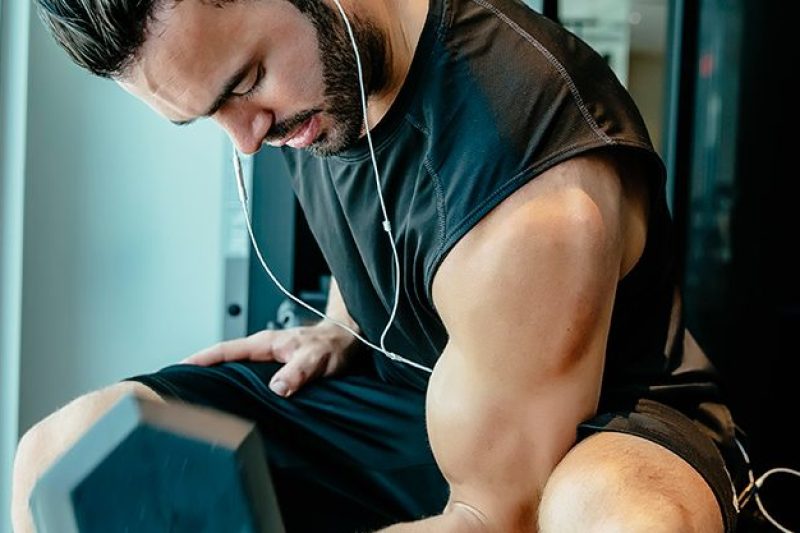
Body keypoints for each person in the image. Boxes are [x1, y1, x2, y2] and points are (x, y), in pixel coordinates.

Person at [13, 0, 745, 531]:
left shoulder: (529, 188)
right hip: (410, 389)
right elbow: (387, 215)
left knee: (617, 517)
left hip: (575, 430)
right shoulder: (318, 84)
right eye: (205, 112)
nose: (244, 137)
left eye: (244, 82)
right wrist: (344, 321)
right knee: (64, 456)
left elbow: (490, 517)